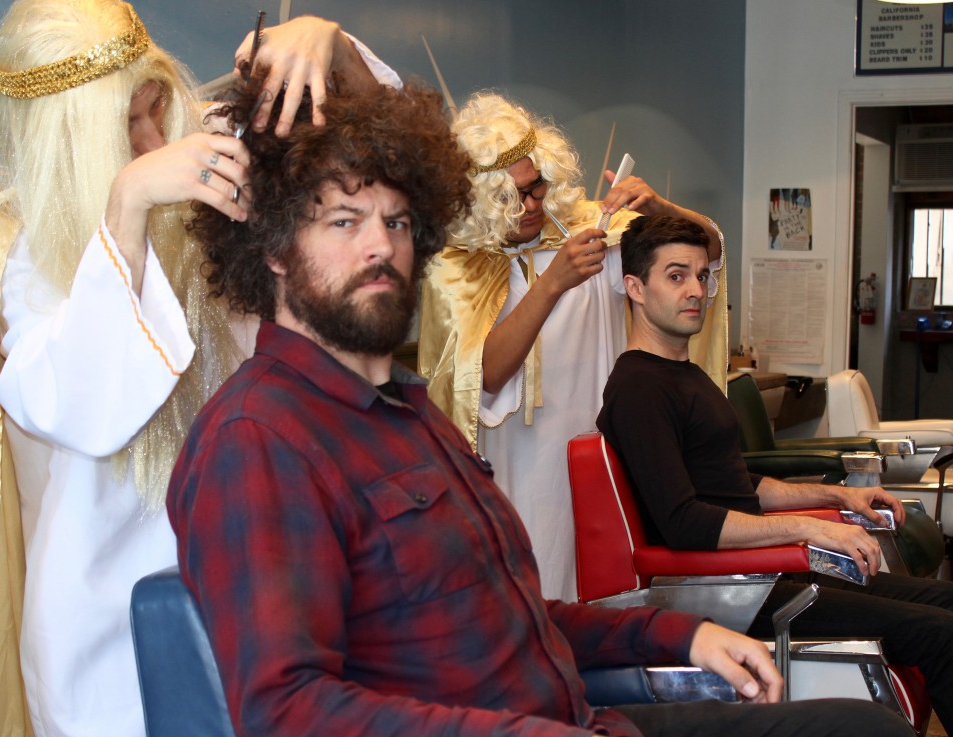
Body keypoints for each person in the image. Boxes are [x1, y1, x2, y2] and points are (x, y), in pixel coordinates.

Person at [168, 82, 913, 737]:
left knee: (860, 726)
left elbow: (517, 617)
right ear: (272, 249)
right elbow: (287, 712)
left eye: (396, 222)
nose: (380, 247)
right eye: (343, 221)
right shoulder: (258, 439)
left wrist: (679, 634)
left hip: (579, 711)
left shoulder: (412, 416)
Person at [0, 2, 396, 736]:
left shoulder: (216, 161)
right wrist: (127, 205)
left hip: (261, 591)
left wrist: (328, 46)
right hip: (102, 641)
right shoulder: (21, 249)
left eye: (155, 105)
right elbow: (82, 409)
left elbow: (388, 151)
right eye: (121, 125)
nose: (151, 138)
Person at [596, 214, 953, 732]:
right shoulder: (639, 389)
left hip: (761, 574)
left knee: (946, 602)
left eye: (702, 275)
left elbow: (736, 484)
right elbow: (685, 522)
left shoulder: (685, 376)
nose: (696, 290)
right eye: (676, 276)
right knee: (940, 633)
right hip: (732, 594)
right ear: (635, 288)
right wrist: (810, 529)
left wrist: (836, 500)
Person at [418, 93, 729, 601]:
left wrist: (660, 208)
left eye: (536, 186)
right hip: (512, 466)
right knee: (528, 594)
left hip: (598, 451)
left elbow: (706, 251)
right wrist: (553, 282)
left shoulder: (594, 231)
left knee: (603, 590)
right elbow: (482, 376)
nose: (531, 205)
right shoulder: (453, 266)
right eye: (512, 197)